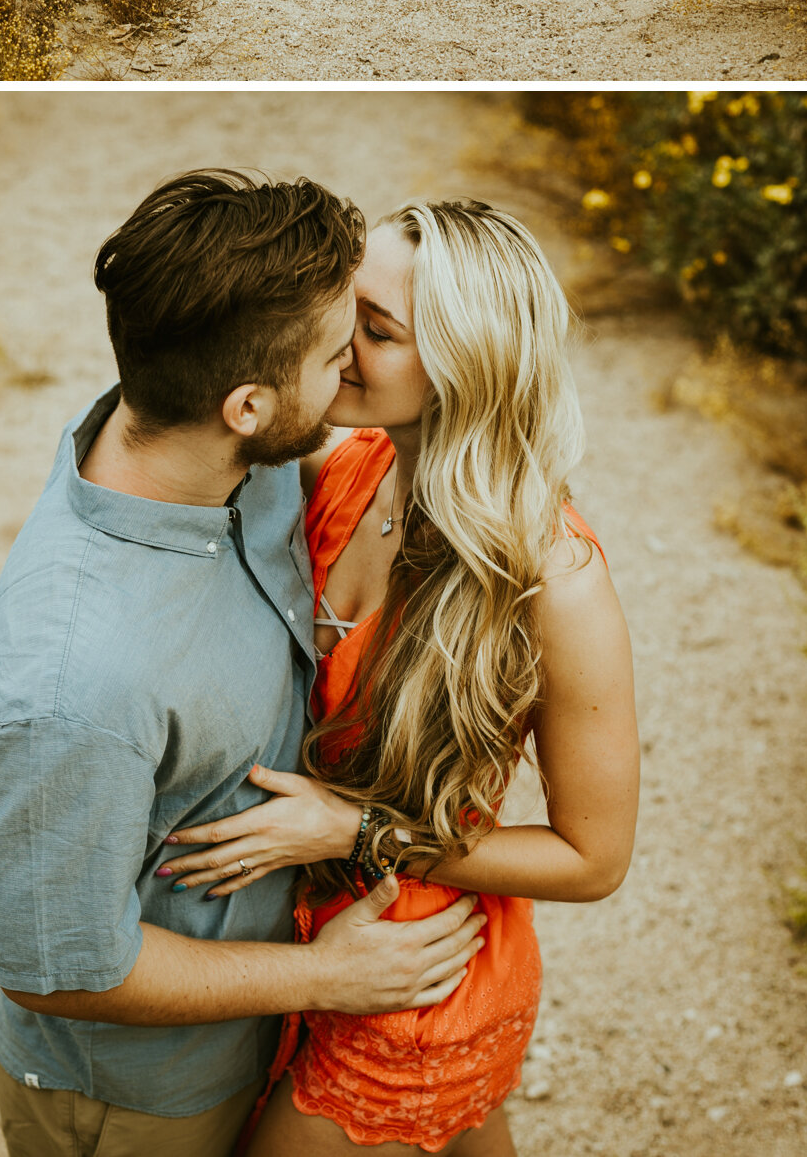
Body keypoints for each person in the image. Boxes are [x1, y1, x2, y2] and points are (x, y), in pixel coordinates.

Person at [0, 170, 489, 1157]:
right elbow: (56, 965)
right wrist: (327, 978)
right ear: (247, 403)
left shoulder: (208, 437)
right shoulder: (73, 682)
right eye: (336, 356)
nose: (351, 376)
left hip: (259, 1019)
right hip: (143, 1092)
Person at [161, 199, 641, 1156]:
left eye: (375, 331)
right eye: (348, 308)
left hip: (412, 966)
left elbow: (594, 860)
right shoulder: (355, 463)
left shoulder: (553, 581)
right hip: (307, 937)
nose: (337, 344)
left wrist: (360, 829)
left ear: (464, 367)